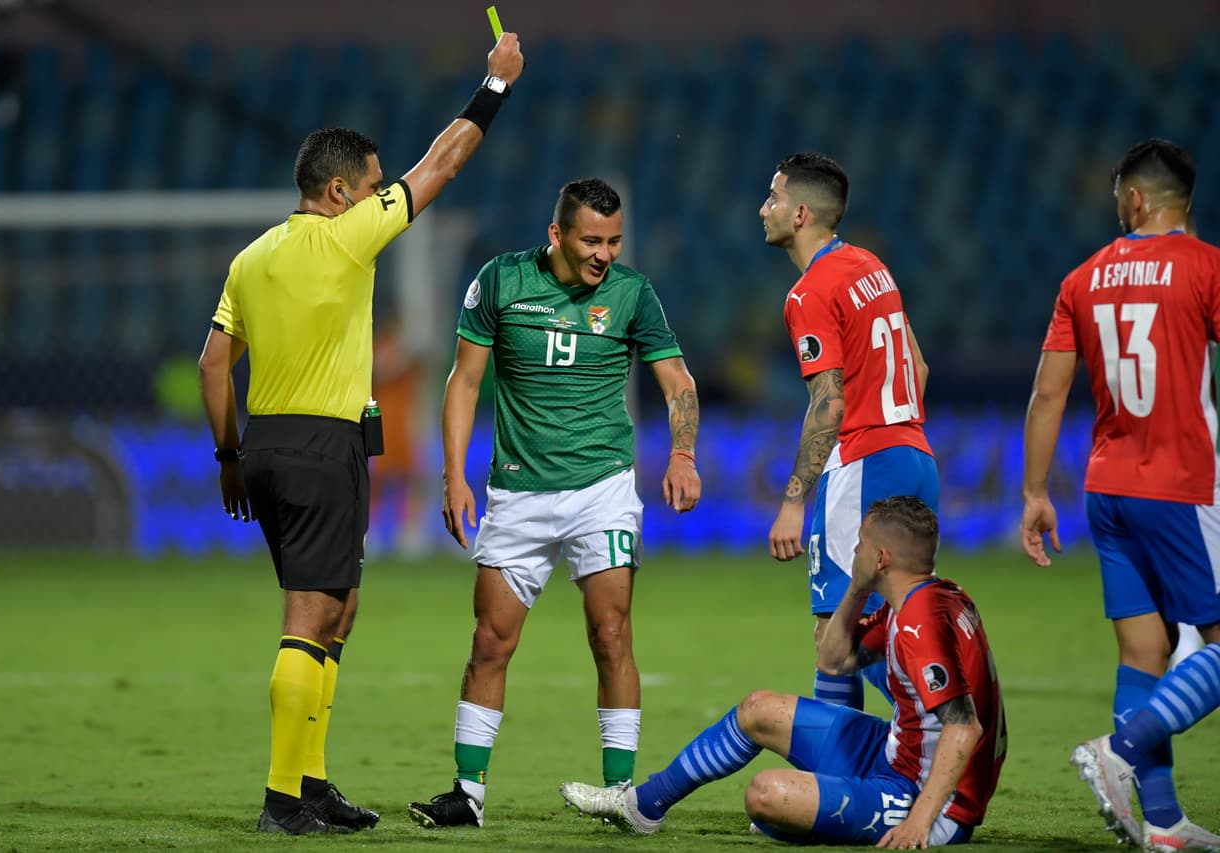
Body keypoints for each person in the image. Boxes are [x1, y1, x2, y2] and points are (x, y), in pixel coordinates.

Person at [196, 33, 525, 835]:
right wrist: (495, 84)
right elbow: (442, 165)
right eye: (374, 186)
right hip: (320, 447)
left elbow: (212, 365)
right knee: (307, 617)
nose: (385, 195)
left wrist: (232, 458)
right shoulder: (347, 236)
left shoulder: (250, 259)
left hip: (270, 444)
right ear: (340, 193)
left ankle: (309, 783)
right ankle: (281, 799)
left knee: (338, 611)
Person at [405, 177, 702, 829]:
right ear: (557, 235)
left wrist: (682, 453)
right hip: (517, 493)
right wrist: (453, 475)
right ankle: (468, 793)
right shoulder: (500, 283)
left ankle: (621, 792)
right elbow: (464, 380)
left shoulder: (632, 294)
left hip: (602, 488)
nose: (605, 254)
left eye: (614, 240)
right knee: (490, 640)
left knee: (612, 632)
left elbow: (677, 380)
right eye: (591, 240)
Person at [561, 496, 1006, 848]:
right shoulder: (926, 600)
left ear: (882, 557)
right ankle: (645, 805)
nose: (854, 549)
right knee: (757, 709)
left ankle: (823, 817)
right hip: (895, 756)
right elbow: (834, 660)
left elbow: (964, 728)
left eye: (861, 544)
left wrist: (920, 824)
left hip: (928, 801)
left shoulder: (918, 623)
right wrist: (857, 584)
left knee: (766, 797)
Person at [1021, 138, 1220, 851]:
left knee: (1143, 652)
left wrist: (1036, 493)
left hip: (1106, 490)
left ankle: (1162, 823)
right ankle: (1121, 748)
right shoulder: (1206, 268)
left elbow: (1048, 392)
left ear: (1135, 199)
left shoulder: (1083, 279)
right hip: (1181, 486)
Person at [762, 152, 938, 710]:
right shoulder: (871, 267)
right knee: (895, 623)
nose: (762, 208)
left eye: (773, 198)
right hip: (915, 455)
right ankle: (920, 741)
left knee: (835, 638)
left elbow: (829, 403)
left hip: (865, 461)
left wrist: (794, 500)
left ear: (800, 214)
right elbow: (920, 368)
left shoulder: (809, 293)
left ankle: (943, 725)